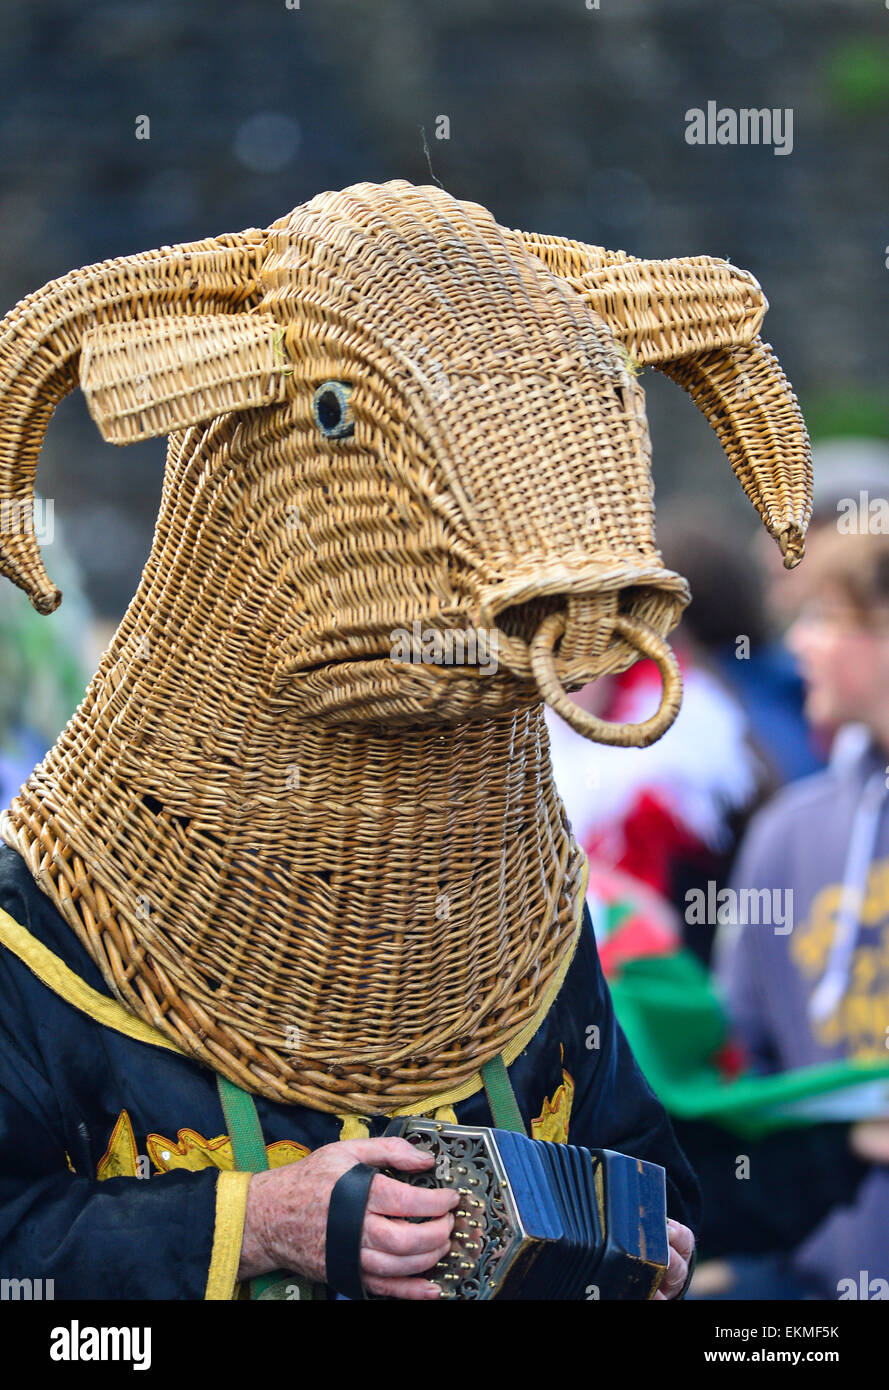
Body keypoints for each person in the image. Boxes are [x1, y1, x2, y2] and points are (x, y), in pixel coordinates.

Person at [712, 526, 889, 1298]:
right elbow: (738, 1058)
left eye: (824, 618)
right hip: (820, 1270)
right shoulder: (787, 830)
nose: (799, 646)